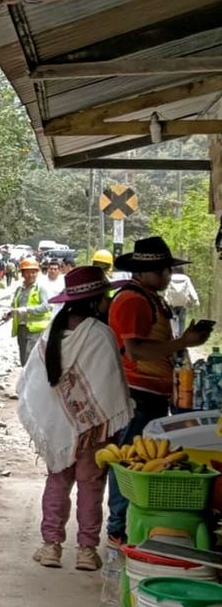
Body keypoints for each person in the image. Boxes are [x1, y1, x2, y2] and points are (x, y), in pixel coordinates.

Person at [16, 267, 132, 572]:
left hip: (58, 427)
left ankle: (51, 547)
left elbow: (34, 383)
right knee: (91, 486)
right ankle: (85, 551)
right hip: (93, 430)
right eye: (106, 295)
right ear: (95, 301)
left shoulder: (52, 331)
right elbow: (111, 385)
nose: (109, 300)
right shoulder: (100, 334)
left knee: (57, 482)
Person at [105, 237, 212, 545]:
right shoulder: (133, 300)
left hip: (151, 391)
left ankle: (124, 524)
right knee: (129, 462)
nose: (167, 276)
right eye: (163, 270)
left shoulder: (150, 298)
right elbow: (134, 350)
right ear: (144, 272)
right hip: (137, 392)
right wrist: (183, 343)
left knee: (138, 459)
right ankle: (118, 526)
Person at [3, 257, 53, 366]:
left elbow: (46, 306)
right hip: (21, 328)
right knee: (23, 358)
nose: (31, 275)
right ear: (22, 274)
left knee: (30, 358)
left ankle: (30, 381)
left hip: (35, 329)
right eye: (28, 272)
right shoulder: (19, 290)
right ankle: (26, 380)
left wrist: (26, 310)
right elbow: (14, 305)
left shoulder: (40, 289)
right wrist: (9, 314)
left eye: (34, 272)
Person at [165, 268, 200, 338]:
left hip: (172, 302)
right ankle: (181, 335)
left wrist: (165, 299)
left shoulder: (170, 277)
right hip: (183, 302)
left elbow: (166, 289)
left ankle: (175, 334)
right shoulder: (186, 278)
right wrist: (196, 300)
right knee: (182, 319)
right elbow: (191, 289)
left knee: (173, 318)